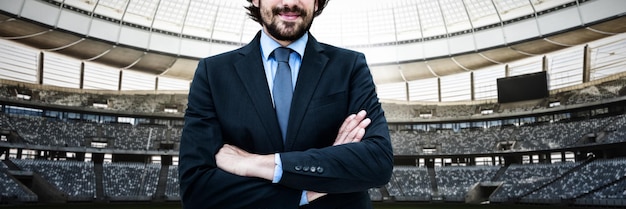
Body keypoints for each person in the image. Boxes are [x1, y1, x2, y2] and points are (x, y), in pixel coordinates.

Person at [179, 0, 393, 208]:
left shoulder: (350, 66)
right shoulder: (213, 73)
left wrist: (255, 164)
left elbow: (377, 162)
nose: (290, 2)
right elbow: (196, 189)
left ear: (317, 2)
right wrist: (316, 185)